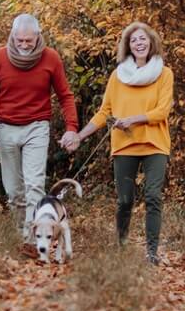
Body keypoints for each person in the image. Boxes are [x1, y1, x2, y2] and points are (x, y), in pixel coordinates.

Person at [66, 22, 173, 265]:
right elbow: (104, 112)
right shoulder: (118, 76)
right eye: (134, 40)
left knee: (153, 196)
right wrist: (79, 136)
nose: (139, 43)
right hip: (124, 146)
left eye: (143, 38)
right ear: (128, 46)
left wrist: (133, 119)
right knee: (125, 200)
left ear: (151, 41)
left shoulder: (164, 73)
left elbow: (162, 111)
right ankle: (122, 247)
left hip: (155, 144)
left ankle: (152, 253)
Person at [0, 14, 79, 255]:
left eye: (29, 41)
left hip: (37, 127)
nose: (24, 45)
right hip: (6, 127)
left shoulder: (51, 58)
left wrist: (71, 128)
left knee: (34, 184)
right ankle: (22, 232)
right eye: (20, 40)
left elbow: (65, 96)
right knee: (14, 192)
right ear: (13, 36)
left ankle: (33, 242)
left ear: (38, 36)